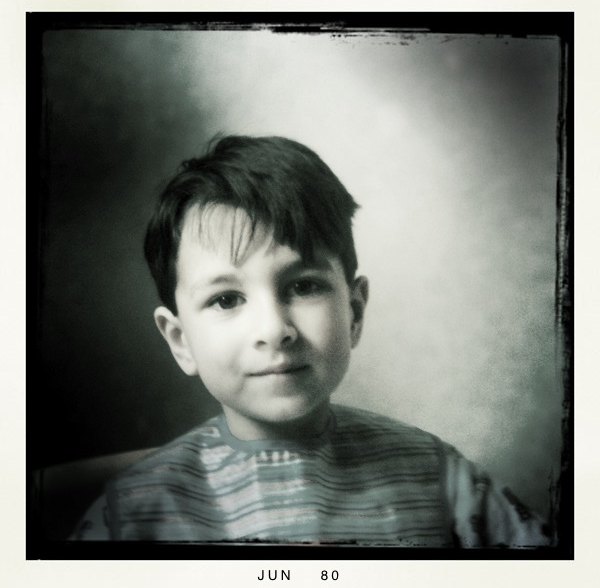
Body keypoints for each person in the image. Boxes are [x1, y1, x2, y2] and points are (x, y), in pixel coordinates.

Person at [71, 135, 552, 546]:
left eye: (303, 286)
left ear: (354, 312)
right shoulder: (132, 513)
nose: (273, 329)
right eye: (226, 299)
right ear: (181, 341)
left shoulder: (440, 477)